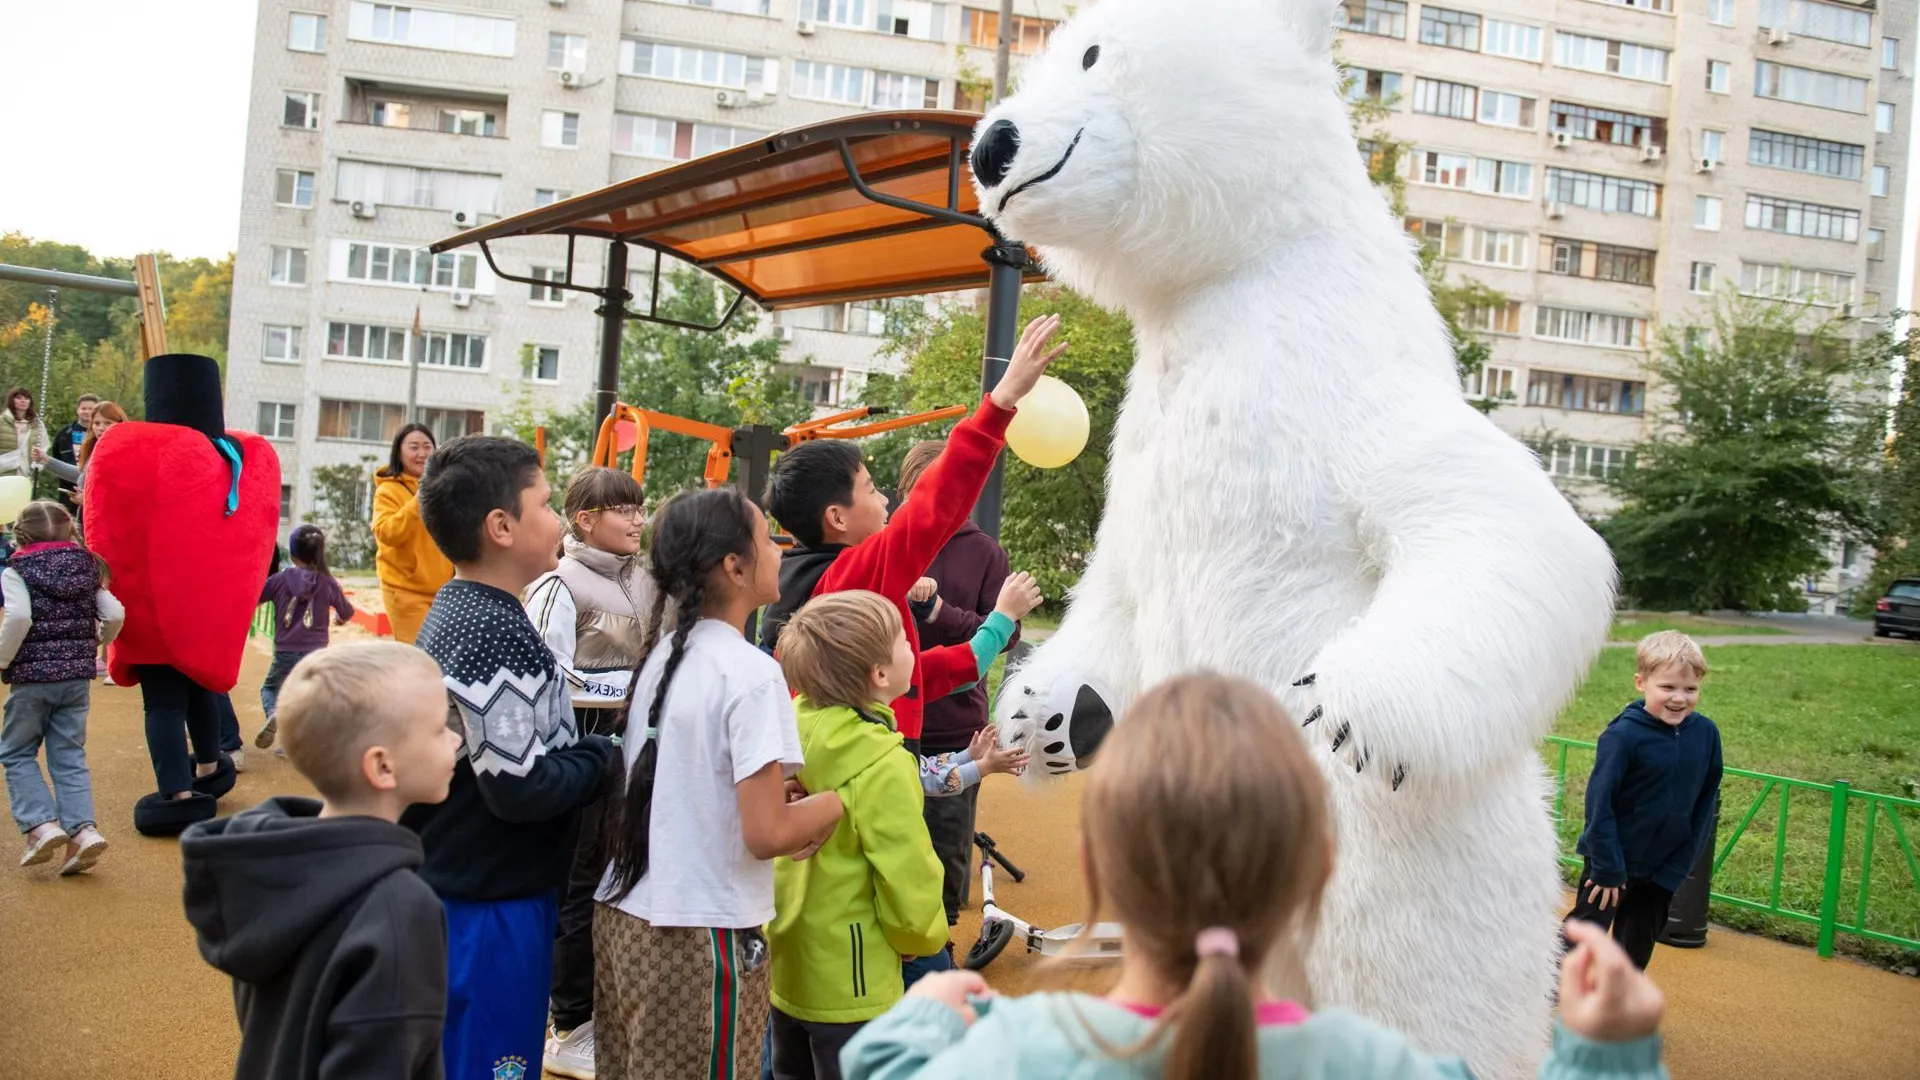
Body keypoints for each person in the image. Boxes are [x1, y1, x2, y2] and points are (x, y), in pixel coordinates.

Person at [842, 675, 1672, 1080]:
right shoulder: (1375, 1064)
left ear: (1097, 866)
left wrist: (920, 1023)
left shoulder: (1015, 1057)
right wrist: (1609, 1055)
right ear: (1319, 871)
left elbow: (880, 1068)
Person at [594, 487, 843, 1080]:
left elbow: (691, 785)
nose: (780, 547)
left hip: (625, 915)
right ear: (734, 567)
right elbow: (766, 834)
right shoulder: (752, 672)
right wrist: (831, 805)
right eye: (766, 538)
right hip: (698, 934)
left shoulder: (663, 657)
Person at [399, 436, 616, 1080]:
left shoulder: (466, 607)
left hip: (470, 884)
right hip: (488, 898)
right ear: (501, 526)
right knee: (489, 1060)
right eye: (546, 505)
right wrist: (604, 758)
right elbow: (518, 785)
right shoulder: (494, 631)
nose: (557, 522)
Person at [761, 315, 1066, 752]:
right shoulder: (852, 576)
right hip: (884, 756)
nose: (886, 500)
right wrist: (1002, 400)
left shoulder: (816, 581)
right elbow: (932, 507)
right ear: (837, 518)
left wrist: (974, 648)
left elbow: (895, 676)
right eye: (871, 490)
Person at [181, 642, 462, 1080]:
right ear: (383, 766)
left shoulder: (269, 870)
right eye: (440, 728)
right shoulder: (400, 907)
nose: (456, 737)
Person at [765, 591, 950, 1080]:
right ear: (880, 675)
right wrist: (917, 935)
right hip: (856, 977)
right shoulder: (884, 763)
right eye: (903, 641)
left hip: (788, 962)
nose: (913, 646)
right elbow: (906, 866)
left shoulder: (789, 735)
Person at [525, 467, 655, 1080]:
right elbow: (549, 679)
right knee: (578, 888)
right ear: (585, 520)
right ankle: (569, 1024)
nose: (637, 520)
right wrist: (635, 685)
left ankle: (600, 1010)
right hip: (582, 759)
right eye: (624, 510)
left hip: (634, 758)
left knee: (620, 881)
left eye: (640, 509)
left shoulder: (649, 579)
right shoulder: (555, 586)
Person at [895, 439, 1021, 928]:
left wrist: (941, 613)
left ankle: (942, 948)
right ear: (906, 490)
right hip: (884, 717)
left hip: (952, 724)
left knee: (945, 861)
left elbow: (1005, 634)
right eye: (923, 489)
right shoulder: (887, 542)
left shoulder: (986, 553)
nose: (937, 499)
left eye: (951, 488)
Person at [1567, 631, 1723, 972]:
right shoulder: (1623, 736)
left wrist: (1676, 870)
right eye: (1667, 687)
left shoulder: (1706, 735)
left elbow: (1704, 806)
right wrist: (1608, 868)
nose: (1679, 698)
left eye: (1690, 689)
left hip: (1661, 870)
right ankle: (1536, 1002)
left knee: (1633, 953)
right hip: (1612, 864)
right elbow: (1599, 805)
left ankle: (1615, 1015)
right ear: (1641, 682)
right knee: (1581, 941)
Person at [0, 501, 123, 875]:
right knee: (68, 757)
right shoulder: (87, 567)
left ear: (23, 533)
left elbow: (19, 616)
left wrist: (3, 659)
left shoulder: (16, 570)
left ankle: (41, 825)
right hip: (75, 680)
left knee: (17, 753)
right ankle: (82, 832)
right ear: (70, 531)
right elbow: (115, 612)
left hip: (32, 680)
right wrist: (101, 639)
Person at [254, 524, 356, 754]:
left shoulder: (280, 580)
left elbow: (256, 597)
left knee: (271, 689)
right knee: (308, 695)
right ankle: (302, 743)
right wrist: (338, 619)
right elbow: (346, 612)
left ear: (292, 553)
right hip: (316, 653)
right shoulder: (328, 582)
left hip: (285, 651)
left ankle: (274, 713)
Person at [372, 423, 455, 645]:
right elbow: (387, 533)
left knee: (441, 656)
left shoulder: (442, 489)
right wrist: (419, 499)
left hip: (442, 589)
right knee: (419, 656)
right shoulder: (387, 491)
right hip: (405, 589)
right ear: (399, 452)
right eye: (414, 447)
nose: (421, 454)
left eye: (427, 446)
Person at [49, 395, 97, 512]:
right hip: (68, 487)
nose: (87, 412)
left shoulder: (101, 432)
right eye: (84, 408)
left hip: (92, 486)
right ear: (77, 409)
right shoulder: (64, 433)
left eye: (91, 409)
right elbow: (57, 455)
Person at [0, 387, 51, 480]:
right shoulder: (2, 421)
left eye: (26, 398)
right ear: (12, 400)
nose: (23, 401)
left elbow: (44, 445)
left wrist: (38, 464)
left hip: (27, 473)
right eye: (19, 397)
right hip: (4, 473)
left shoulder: (37, 424)